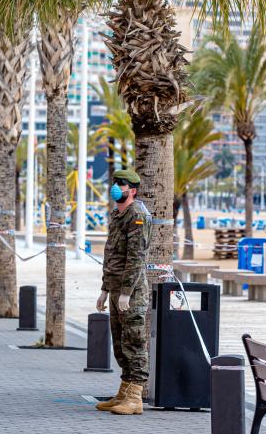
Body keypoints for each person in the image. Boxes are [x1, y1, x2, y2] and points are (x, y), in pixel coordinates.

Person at [95, 169, 151, 415]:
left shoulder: (137, 215)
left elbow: (136, 258)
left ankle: (135, 397)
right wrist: (105, 290)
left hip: (132, 294)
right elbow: (112, 256)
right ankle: (124, 392)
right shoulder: (117, 215)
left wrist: (127, 292)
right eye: (115, 183)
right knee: (120, 344)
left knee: (134, 343)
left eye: (122, 184)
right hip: (116, 290)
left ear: (133, 189)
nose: (117, 187)